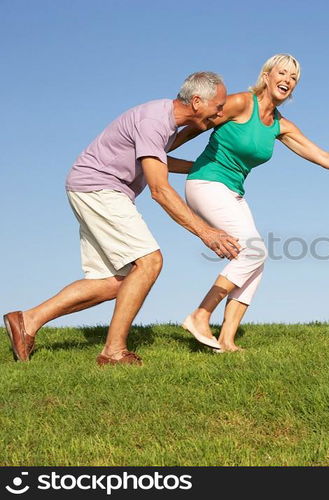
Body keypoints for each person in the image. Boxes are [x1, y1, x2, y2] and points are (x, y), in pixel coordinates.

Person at [3, 72, 241, 366]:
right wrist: (207, 232)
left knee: (114, 282)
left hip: (90, 187)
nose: (220, 112)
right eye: (217, 106)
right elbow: (160, 190)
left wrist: (203, 169)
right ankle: (114, 351)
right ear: (196, 102)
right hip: (99, 187)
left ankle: (27, 320)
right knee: (149, 262)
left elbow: (158, 161)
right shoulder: (154, 122)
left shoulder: (164, 122)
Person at [168, 54, 329, 352]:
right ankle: (201, 314)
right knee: (252, 252)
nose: (287, 80)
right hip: (207, 182)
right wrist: (156, 153)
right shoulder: (239, 103)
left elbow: (323, 156)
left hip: (233, 191)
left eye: (293, 78)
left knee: (255, 261)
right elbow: (194, 126)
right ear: (267, 75)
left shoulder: (279, 125)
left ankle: (226, 339)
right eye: (283, 73)